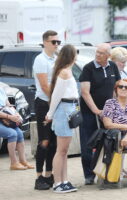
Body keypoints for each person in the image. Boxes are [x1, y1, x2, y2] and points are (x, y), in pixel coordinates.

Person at [79, 43, 121, 185]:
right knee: (87, 144)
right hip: (89, 113)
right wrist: (96, 110)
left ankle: (106, 172)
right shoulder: (88, 68)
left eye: (101, 53)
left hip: (108, 112)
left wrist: (115, 107)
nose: (98, 55)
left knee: (109, 143)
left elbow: (116, 89)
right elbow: (85, 92)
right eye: (97, 52)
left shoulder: (113, 67)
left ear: (108, 56)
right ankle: (89, 175)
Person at [45, 44, 78, 193]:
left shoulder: (67, 71)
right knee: (61, 150)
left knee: (64, 151)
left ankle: (64, 180)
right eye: (76, 53)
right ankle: (58, 182)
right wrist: (50, 114)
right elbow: (56, 96)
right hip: (63, 110)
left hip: (69, 109)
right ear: (71, 55)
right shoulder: (64, 72)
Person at [33, 30, 60, 190]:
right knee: (44, 141)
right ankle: (38, 177)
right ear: (45, 42)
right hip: (44, 103)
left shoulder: (56, 59)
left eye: (58, 42)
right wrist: (55, 101)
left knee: (54, 142)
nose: (56, 44)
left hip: (55, 104)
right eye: (53, 42)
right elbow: (44, 85)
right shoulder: (40, 59)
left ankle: (49, 175)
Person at [0, 88, 34, 170]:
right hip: (4, 118)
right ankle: (13, 163)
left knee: (19, 133)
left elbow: (8, 106)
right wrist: (10, 117)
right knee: (12, 134)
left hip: (4, 119)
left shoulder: (1, 89)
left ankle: (23, 161)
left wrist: (16, 114)